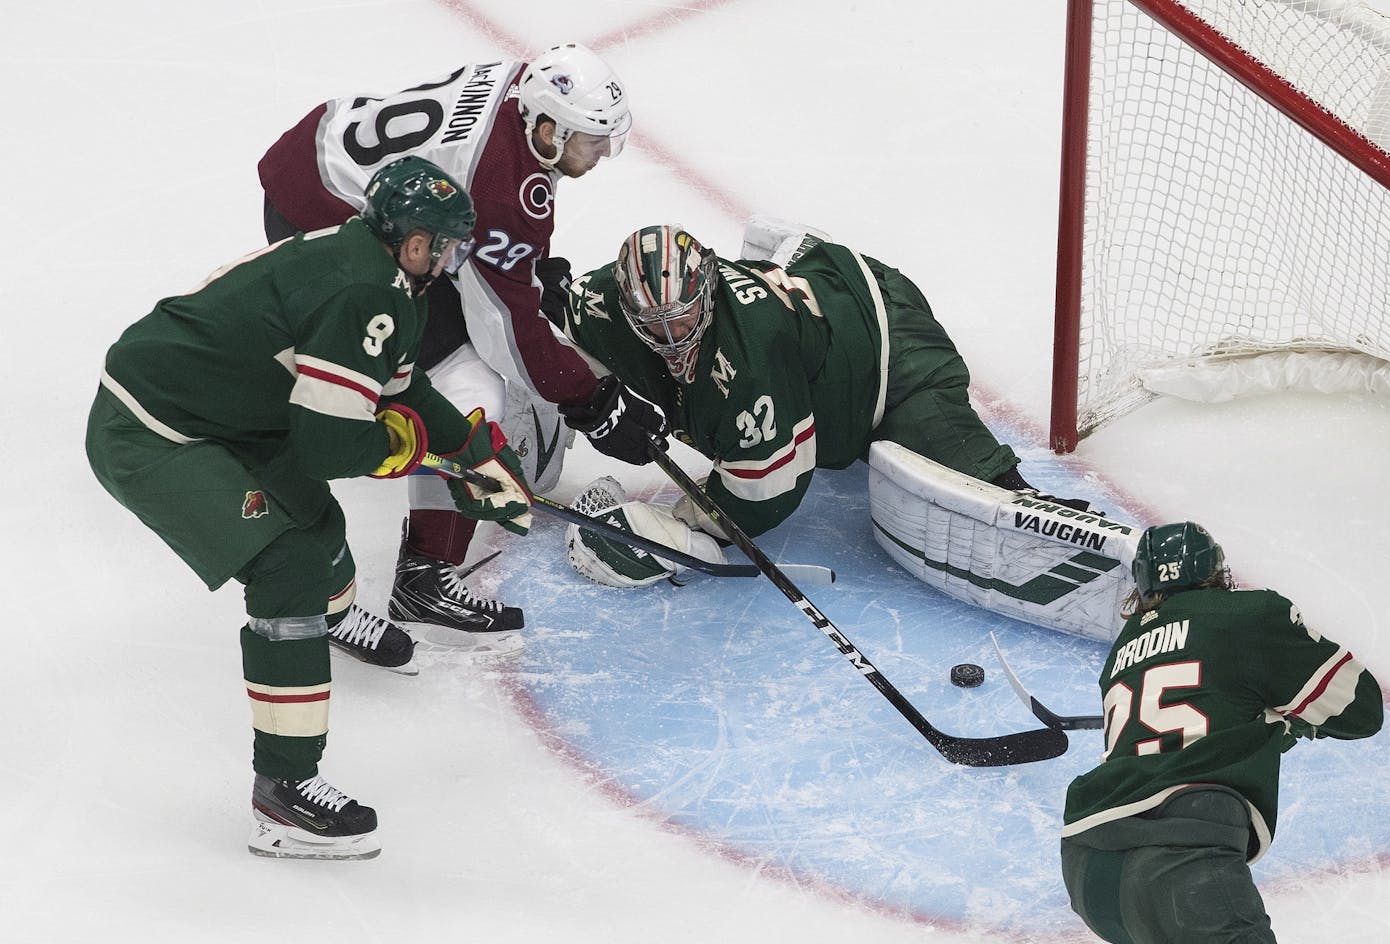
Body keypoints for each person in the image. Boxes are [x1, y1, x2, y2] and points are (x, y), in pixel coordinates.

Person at [85, 157, 534, 860]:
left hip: (232, 409)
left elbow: (397, 395)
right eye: (447, 243)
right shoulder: (369, 293)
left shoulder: (392, 283)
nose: (454, 257)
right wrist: (422, 452)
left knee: (316, 522)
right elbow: (330, 447)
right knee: (289, 563)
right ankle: (283, 795)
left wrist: (474, 450)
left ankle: (328, 618)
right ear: (414, 242)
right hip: (155, 428)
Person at [257, 43, 666, 659]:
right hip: (328, 221)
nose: (602, 154)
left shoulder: (519, 87)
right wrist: (592, 400)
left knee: (447, 346)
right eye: (590, 140)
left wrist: (523, 267)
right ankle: (424, 576)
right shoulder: (504, 186)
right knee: (473, 389)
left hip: (319, 158)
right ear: (548, 129)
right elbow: (508, 336)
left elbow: (472, 212)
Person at [554, 221, 1086, 586]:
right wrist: (588, 395)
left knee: (941, 450)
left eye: (683, 316)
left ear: (710, 289)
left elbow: (765, 493)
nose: (671, 337)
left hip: (889, 351)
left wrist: (680, 526)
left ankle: (1043, 515)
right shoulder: (607, 300)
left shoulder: (751, 357)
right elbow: (547, 325)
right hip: (819, 287)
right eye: (652, 323)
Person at [1060, 522, 1383, 943]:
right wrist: (1289, 719)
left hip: (1090, 871)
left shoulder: (1122, 650)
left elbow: (1193, 729)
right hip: (1182, 857)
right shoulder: (1249, 616)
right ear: (1218, 572)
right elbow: (1360, 709)